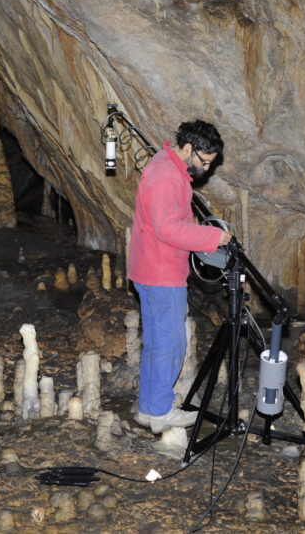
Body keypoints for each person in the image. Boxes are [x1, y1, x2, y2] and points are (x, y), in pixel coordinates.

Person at [127, 120, 232, 433]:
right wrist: (212, 237)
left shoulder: (166, 165)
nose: (207, 169)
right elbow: (168, 228)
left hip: (150, 268)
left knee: (156, 342)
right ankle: (160, 412)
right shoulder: (167, 177)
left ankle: (148, 408)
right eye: (204, 161)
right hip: (161, 273)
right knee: (169, 345)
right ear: (188, 149)